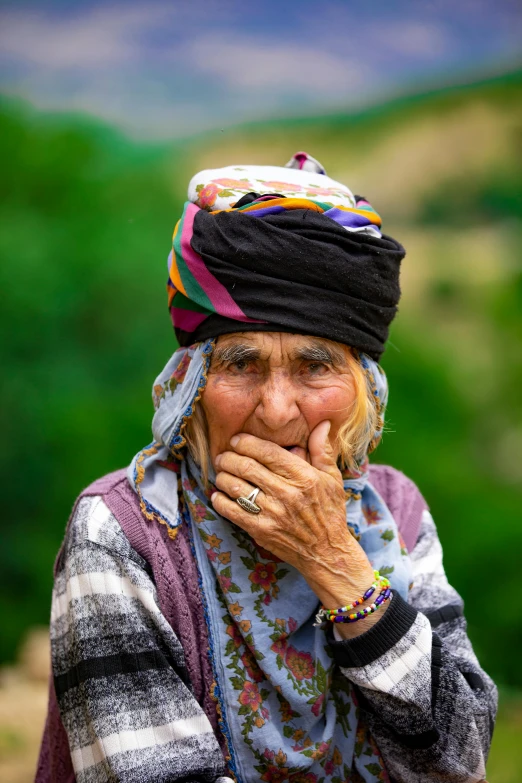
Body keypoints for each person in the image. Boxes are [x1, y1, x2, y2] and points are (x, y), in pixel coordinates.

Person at [37, 152, 496, 783]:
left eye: (314, 367)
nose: (277, 412)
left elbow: (461, 757)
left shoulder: (395, 510)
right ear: (189, 386)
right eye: (241, 365)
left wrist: (337, 564)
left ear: (365, 390)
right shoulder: (123, 531)